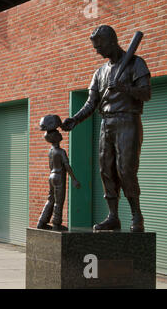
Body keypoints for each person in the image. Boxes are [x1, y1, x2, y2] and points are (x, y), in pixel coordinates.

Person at [61, 25, 151, 232]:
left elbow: (146, 94)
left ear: (112, 41)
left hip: (128, 120)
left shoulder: (136, 63)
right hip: (106, 123)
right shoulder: (99, 73)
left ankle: (137, 215)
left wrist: (125, 88)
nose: (97, 51)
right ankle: (113, 216)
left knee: (126, 169)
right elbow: (91, 103)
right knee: (106, 170)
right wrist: (75, 119)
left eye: (99, 46)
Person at [37, 115, 80, 231]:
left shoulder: (50, 151)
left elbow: (51, 166)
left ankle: (42, 221)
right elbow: (67, 166)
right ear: (55, 137)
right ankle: (56, 224)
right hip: (59, 177)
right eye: (59, 134)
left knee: (50, 199)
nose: (60, 134)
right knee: (59, 201)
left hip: (51, 176)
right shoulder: (61, 152)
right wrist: (74, 179)